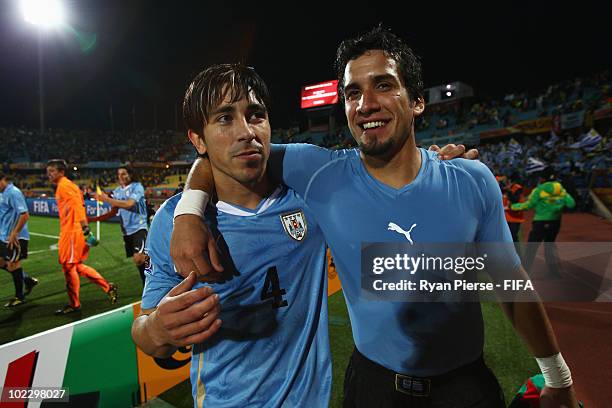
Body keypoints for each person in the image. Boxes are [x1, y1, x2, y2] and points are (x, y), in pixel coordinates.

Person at [171, 27, 579, 407]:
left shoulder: (471, 179)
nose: (366, 104)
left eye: (383, 85)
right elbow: (225, 154)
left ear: (417, 100)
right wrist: (188, 214)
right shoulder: (319, 172)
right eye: (352, 93)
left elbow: (510, 283)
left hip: (464, 388)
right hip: (373, 388)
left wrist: (558, 376)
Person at [131, 64, 335, 407]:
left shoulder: (310, 195)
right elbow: (146, 331)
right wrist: (157, 330)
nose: (246, 131)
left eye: (255, 115)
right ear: (198, 139)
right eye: (225, 118)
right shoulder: (171, 220)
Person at [46, 159, 118, 315]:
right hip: (69, 232)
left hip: (73, 233)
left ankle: (74, 304)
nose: (48, 174)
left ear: (61, 172)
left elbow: (78, 209)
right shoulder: (64, 187)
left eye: (52, 171)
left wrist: (86, 231)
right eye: (48, 171)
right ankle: (107, 287)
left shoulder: (65, 187)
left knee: (69, 267)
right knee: (76, 266)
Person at [89, 166, 149, 284]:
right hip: (126, 230)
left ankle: (150, 282)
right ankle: (148, 281)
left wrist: (106, 199)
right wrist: (92, 219)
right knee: (138, 260)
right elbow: (114, 211)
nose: (120, 177)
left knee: (139, 259)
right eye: (119, 174)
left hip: (139, 227)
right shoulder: (117, 191)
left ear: (130, 174)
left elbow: (129, 204)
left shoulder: (137, 187)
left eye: (124, 174)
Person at [511, 169, 576, 277]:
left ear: (542, 179)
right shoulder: (561, 190)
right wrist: (557, 205)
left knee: (531, 248)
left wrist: (513, 206)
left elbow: (528, 205)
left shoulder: (539, 190)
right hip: (555, 222)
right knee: (549, 246)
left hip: (540, 222)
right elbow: (571, 204)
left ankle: (524, 273)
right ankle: (554, 273)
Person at [0, 172, 38, 307]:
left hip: (15, 237)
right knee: (1, 262)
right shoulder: (2, 193)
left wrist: (14, 233)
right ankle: (27, 280)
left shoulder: (13, 192)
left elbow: (24, 214)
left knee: (13, 264)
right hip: (4, 236)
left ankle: (19, 297)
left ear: (3, 180)